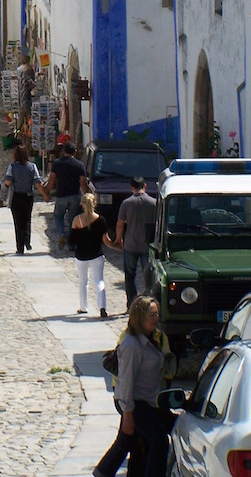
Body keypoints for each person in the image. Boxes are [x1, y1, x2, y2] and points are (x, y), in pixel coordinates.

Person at [94, 296, 170, 477]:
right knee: (159, 441)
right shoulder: (131, 345)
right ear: (140, 317)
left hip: (148, 400)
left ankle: (102, 473)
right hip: (134, 402)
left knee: (128, 442)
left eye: (156, 313)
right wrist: (128, 414)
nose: (155, 318)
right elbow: (126, 381)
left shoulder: (152, 338)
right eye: (151, 314)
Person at [68, 191, 113, 316]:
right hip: (97, 255)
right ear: (95, 203)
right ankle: (102, 307)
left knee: (83, 281)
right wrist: (116, 246)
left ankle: (83, 307)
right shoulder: (101, 220)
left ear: (82, 204)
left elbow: (71, 240)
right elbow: (106, 240)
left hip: (81, 255)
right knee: (99, 281)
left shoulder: (77, 220)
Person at [115, 177, 157, 310]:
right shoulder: (153, 203)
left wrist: (118, 238)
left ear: (131, 187)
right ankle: (150, 304)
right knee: (149, 277)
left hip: (130, 244)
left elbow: (120, 224)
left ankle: (131, 305)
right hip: (147, 244)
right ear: (145, 186)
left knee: (130, 275)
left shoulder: (126, 203)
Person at [41, 140, 89, 248]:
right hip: (74, 196)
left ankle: (61, 234)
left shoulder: (57, 163)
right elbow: (83, 183)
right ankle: (71, 244)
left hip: (61, 195)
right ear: (75, 152)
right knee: (73, 219)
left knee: (58, 216)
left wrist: (47, 193)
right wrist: (86, 197)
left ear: (63, 151)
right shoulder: (79, 165)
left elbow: (52, 180)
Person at [3, 142, 43, 254]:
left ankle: (19, 247)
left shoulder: (12, 167)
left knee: (18, 221)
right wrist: (45, 194)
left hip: (16, 196)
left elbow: (8, 181)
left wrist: (4, 187)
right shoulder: (32, 166)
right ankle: (27, 241)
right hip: (28, 196)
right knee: (27, 219)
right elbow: (37, 182)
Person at [17, 53, 35, 130]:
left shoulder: (19, 70)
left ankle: (19, 131)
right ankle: (20, 132)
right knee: (26, 115)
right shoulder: (29, 70)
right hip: (25, 97)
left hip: (21, 95)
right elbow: (31, 83)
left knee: (22, 116)